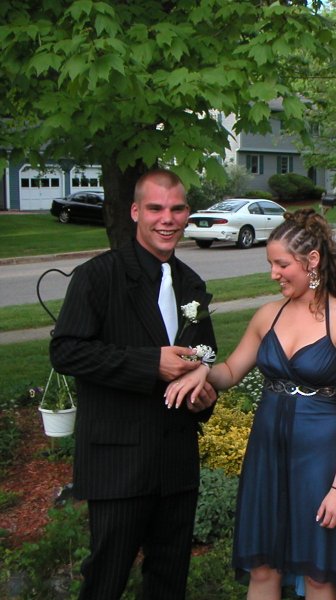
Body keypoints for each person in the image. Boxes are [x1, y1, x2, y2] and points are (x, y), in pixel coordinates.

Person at [166, 208, 336, 599]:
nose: (273, 274)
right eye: (270, 264)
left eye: (282, 264)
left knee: (318, 572)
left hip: (320, 461)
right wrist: (200, 370)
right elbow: (229, 371)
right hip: (267, 454)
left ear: (312, 261)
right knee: (262, 566)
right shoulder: (267, 316)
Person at [49, 169, 218, 599]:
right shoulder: (98, 276)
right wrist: (149, 364)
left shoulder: (191, 284)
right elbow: (66, 351)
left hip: (177, 462)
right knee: (105, 582)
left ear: (187, 213)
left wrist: (204, 395)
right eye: (156, 208)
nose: (167, 219)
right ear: (135, 211)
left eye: (177, 209)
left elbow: (204, 359)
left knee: (168, 583)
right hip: (118, 464)